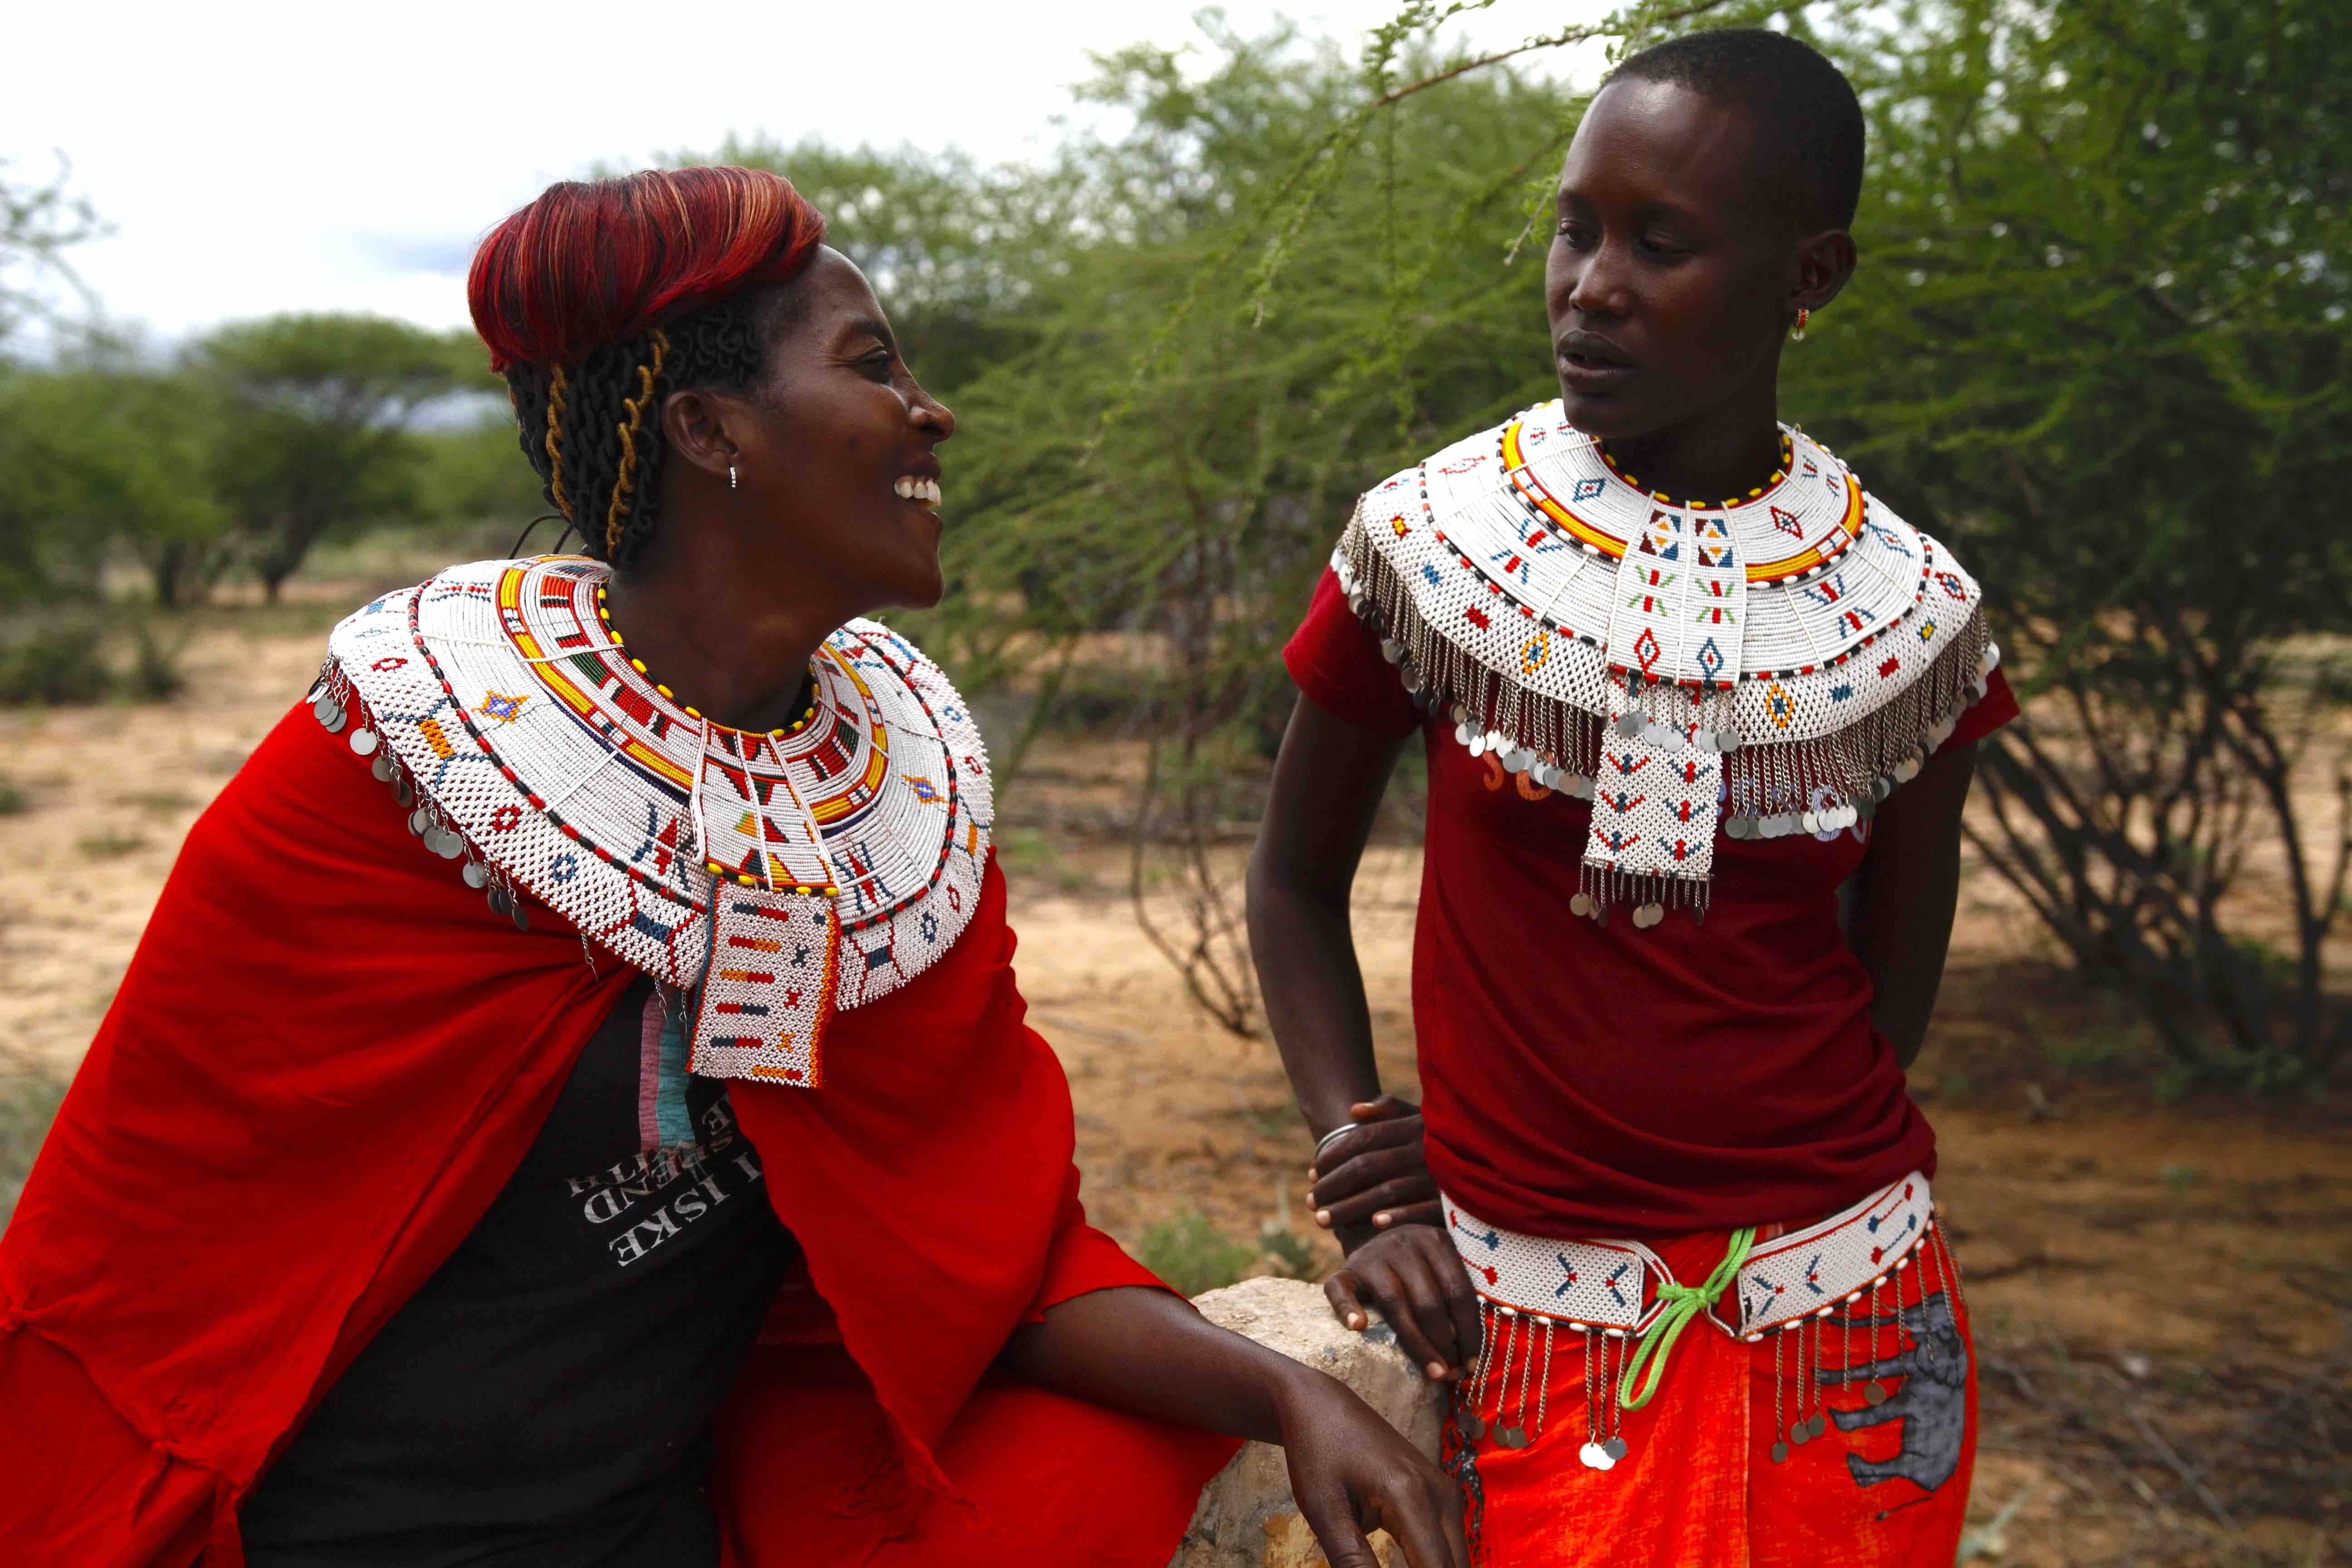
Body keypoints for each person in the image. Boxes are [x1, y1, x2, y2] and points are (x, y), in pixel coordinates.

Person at [0, 167, 1467, 1568]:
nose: (929, 413)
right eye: (875, 365)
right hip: (330, 1539)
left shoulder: (893, 818)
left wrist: (1289, 1391)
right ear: (714, 433)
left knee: (1084, 1479)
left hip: (654, 1535)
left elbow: (984, 1257)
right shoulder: (406, 775)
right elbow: (143, 1264)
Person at [1248, 29, 2018, 1568]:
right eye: (1575, 225)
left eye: (1659, 244)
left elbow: (1889, 983)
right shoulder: (1433, 546)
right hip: (1524, 1321)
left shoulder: (1908, 612)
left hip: (1851, 1323)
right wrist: (1364, 1166)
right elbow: (1290, 882)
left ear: (1812, 275)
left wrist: (1745, 1164)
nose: (1590, 282)